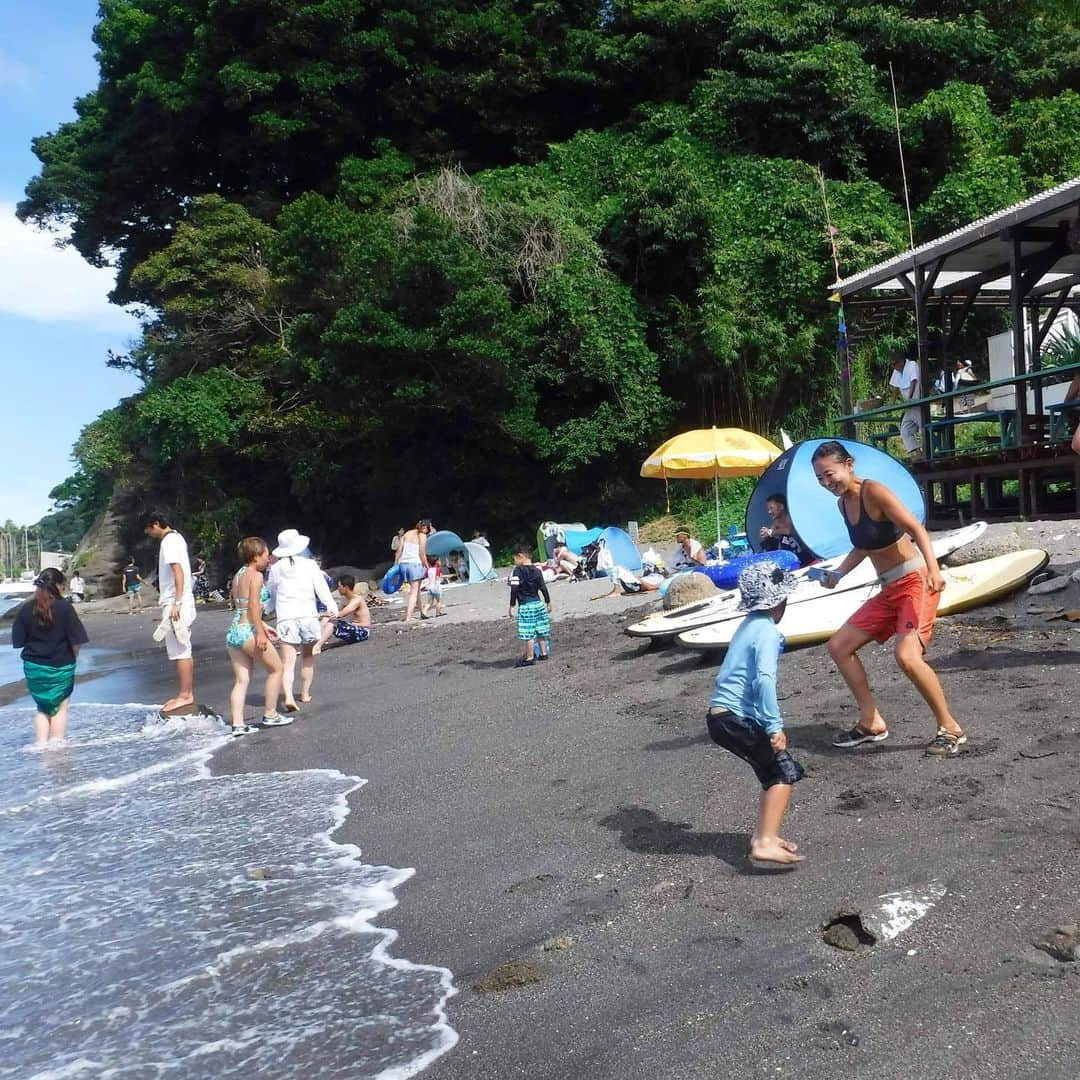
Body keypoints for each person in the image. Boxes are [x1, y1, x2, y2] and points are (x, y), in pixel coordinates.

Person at [811, 441, 964, 756]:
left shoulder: (875, 492)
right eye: (820, 479)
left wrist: (934, 571)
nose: (827, 483)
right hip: (889, 589)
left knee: (907, 657)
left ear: (849, 464)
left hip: (914, 582)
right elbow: (865, 545)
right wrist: (838, 574)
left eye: (830, 474)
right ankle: (871, 721)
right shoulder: (843, 505)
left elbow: (916, 529)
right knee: (839, 646)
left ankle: (950, 727)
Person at [705, 560, 804, 866]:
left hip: (722, 716)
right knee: (782, 771)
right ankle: (763, 842)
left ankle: (768, 836)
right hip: (733, 719)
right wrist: (774, 726)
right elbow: (763, 680)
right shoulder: (767, 632)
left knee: (769, 770)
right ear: (780, 599)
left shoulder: (749, 625)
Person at [11, 568, 88, 746]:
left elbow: (19, 641)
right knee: (60, 708)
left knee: (42, 708)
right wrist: (72, 659)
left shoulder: (26, 609)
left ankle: (40, 746)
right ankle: (56, 746)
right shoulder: (65, 607)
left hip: (34, 668)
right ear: (59, 586)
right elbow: (77, 641)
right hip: (61, 665)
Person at [225, 537, 290, 736]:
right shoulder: (256, 575)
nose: (268, 558)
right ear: (255, 556)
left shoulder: (239, 574)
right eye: (265, 554)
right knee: (276, 669)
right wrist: (260, 632)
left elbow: (241, 606)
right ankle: (270, 714)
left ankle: (237, 724)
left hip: (234, 631)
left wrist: (262, 625)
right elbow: (253, 604)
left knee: (241, 680)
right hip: (248, 632)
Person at [268, 528, 338, 710]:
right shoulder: (310, 565)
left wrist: (267, 611)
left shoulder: (275, 569)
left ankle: (289, 696)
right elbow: (321, 589)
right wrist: (332, 608)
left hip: (286, 618)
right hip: (308, 615)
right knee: (307, 657)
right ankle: (305, 694)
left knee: (288, 662)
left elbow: (272, 595)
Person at [143, 510, 197, 713]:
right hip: (180, 600)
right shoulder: (177, 538)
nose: (148, 533)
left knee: (180, 649)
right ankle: (186, 692)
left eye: (148, 528)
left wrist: (177, 602)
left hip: (177, 602)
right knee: (182, 646)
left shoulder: (169, 542)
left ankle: (185, 695)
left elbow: (178, 572)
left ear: (156, 523)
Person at [508, 544, 551, 667]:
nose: (514, 562)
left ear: (520, 556)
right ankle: (543, 653)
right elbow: (543, 587)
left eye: (514, 559)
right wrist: (548, 601)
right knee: (540, 630)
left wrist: (512, 605)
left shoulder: (517, 571)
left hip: (526, 606)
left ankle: (530, 657)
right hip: (538, 604)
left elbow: (514, 589)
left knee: (528, 632)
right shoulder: (537, 571)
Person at [318, 574, 373, 649]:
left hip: (362, 632)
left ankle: (317, 647)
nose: (338, 589)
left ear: (346, 587)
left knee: (332, 623)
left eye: (339, 586)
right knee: (325, 620)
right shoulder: (344, 600)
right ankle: (316, 644)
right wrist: (321, 615)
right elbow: (334, 613)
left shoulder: (357, 600)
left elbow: (341, 614)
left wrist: (329, 616)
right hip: (354, 628)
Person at [393, 519, 431, 622]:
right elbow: (422, 553)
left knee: (417, 589)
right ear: (426, 527)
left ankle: (422, 612)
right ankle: (408, 618)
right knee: (414, 592)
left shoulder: (407, 533)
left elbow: (399, 550)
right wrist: (427, 566)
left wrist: (395, 565)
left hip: (403, 564)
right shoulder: (422, 536)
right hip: (415, 564)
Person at [758, 493, 811, 566]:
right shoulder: (776, 522)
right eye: (768, 509)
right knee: (769, 542)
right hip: (793, 553)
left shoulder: (790, 516)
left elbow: (788, 531)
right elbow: (771, 533)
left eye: (771, 508)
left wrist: (771, 532)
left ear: (781, 507)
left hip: (806, 551)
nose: (769, 512)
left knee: (785, 537)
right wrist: (766, 535)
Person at [889, 354, 923, 456]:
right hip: (908, 407)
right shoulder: (897, 371)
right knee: (905, 431)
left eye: (895, 364)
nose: (894, 367)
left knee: (923, 429)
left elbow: (914, 381)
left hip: (917, 403)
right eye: (892, 365)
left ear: (901, 361)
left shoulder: (912, 365)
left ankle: (927, 452)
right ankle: (918, 453)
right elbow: (895, 388)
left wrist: (909, 398)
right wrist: (892, 403)